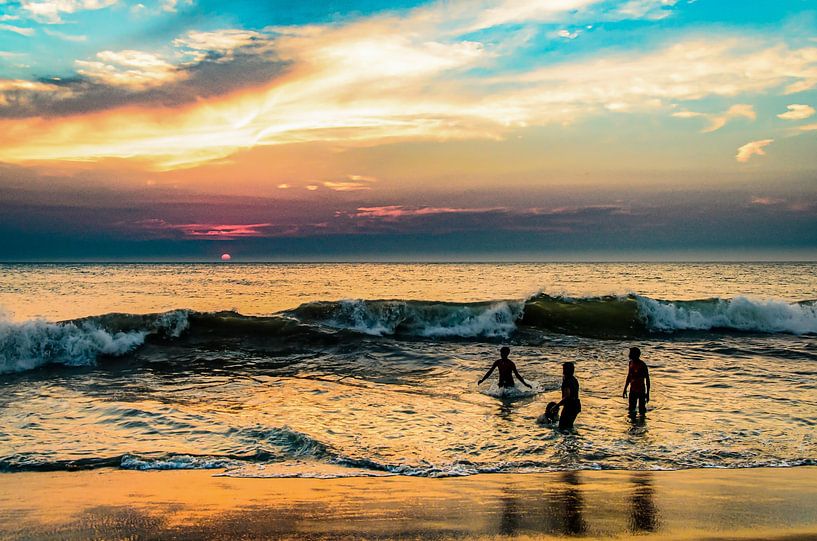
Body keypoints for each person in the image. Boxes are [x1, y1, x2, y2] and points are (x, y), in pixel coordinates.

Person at [622, 346, 650, 414]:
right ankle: (633, 424)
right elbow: (629, 376)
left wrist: (648, 394)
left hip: (641, 391)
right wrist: (625, 389)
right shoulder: (630, 363)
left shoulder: (642, 365)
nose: (629, 355)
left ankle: (642, 423)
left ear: (636, 355)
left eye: (631, 354)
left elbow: (647, 379)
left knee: (642, 410)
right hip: (632, 390)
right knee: (631, 409)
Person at [557, 362, 581, 432]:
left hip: (570, 406)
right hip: (576, 405)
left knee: (562, 428)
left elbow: (567, 397)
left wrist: (556, 405)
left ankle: (567, 441)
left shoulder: (566, 381)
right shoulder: (574, 380)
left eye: (563, 369)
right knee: (569, 426)